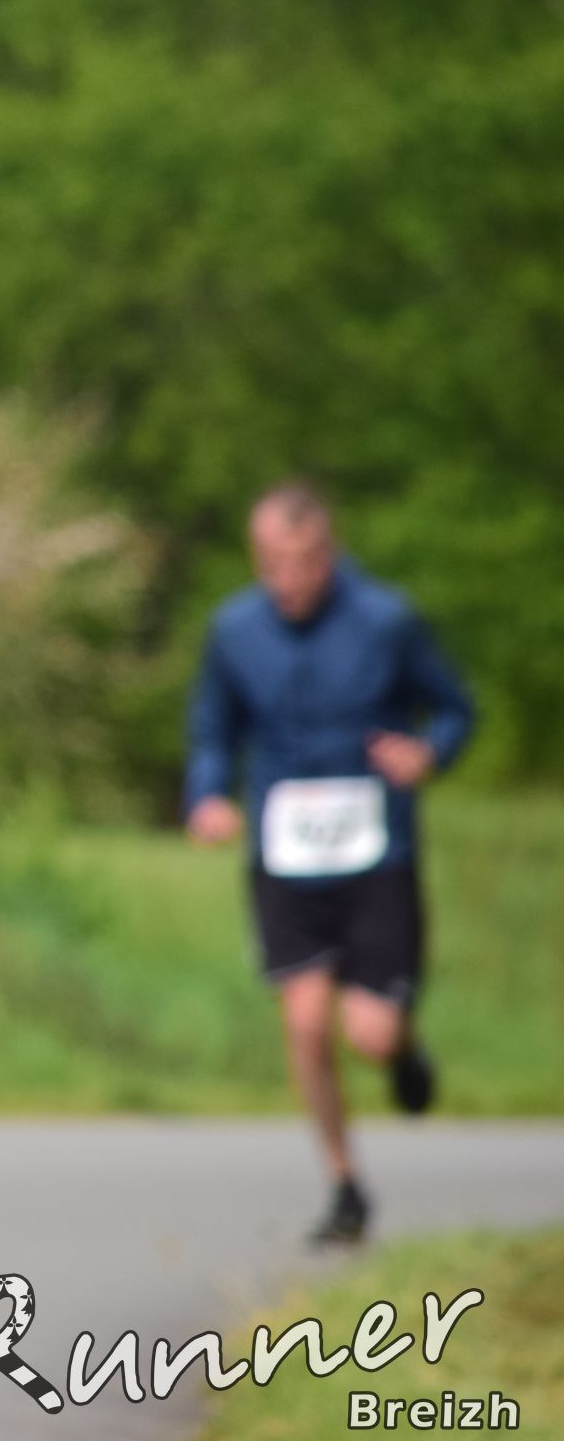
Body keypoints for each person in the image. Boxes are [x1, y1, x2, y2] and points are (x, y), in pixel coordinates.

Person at [185, 482, 477, 1246]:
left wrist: (428, 753)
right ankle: (345, 1186)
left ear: (329, 549)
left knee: (369, 1035)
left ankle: (403, 1051)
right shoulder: (234, 630)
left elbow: (455, 708)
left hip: (376, 854)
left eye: (304, 561)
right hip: (285, 854)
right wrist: (208, 796)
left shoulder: (386, 620)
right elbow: (214, 729)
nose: (289, 578)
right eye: (272, 562)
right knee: (307, 1022)